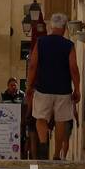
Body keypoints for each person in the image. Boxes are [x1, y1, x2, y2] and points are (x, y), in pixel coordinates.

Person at [26, 12, 80, 161]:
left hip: (43, 88)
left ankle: (44, 145)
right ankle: (56, 154)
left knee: (40, 118)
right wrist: (77, 89)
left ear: (51, 26)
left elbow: (32, 65)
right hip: (63, 90)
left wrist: (29, 86)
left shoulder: (41, 42)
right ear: (64, 28)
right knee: (60, 121)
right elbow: (74, 68)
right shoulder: (69, 45)